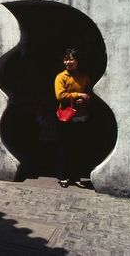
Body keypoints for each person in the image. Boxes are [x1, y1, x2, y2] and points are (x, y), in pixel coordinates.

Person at [54, 48, 92, 188]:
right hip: (66, 117)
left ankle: (76, 177)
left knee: (78, 148)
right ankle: (63, 177)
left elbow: (89, 94)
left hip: (81, 117)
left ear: (77, 61)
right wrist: (79, 95)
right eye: (66, 59)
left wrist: (86, 99)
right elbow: (60, 96)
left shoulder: (84, 77)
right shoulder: (61, 77)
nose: (68, 62)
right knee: (64, 147)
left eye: (71, 59)